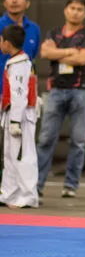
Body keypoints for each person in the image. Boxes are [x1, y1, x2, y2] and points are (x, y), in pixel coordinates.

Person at [36, 0, 85, 198]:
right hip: (55, 92)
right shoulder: (53, 32)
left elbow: (83, 58)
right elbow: (44, 52)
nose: (75, 12)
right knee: (45, 139)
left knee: (78, 141)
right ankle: (36, 185)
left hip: (80, 91)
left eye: (80, 9)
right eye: (72, 8)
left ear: (84, 13)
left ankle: (70, 185)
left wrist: (58, 52)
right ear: (65, 10)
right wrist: (71, 51)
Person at [0, 25, 39, 208]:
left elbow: (19, 94)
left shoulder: (19, 65)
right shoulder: (15, 62)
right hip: (11, 113)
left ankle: (28, 194)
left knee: (23, 156)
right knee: (9, 155)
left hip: (21, 116)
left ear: (7, 43)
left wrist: (15, 120)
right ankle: (9, 192)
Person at [0, 0, 40, 95]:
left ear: (27, 3)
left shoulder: (34, 29)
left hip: (25, 91)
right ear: (4, 3)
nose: (14, 0)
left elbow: (32, 57)